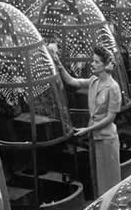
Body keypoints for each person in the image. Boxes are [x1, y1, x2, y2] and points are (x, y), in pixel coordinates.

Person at [51, 44, 122, 198]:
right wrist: (58, 63)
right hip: (95, 139)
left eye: (96, 62)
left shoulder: (113, 88)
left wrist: (87, 130)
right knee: (97, 181)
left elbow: (110, 118)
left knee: (109, 183)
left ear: (104, 65)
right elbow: (72, 82)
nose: (92, 64)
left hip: (107, 140)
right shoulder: (94, 81)